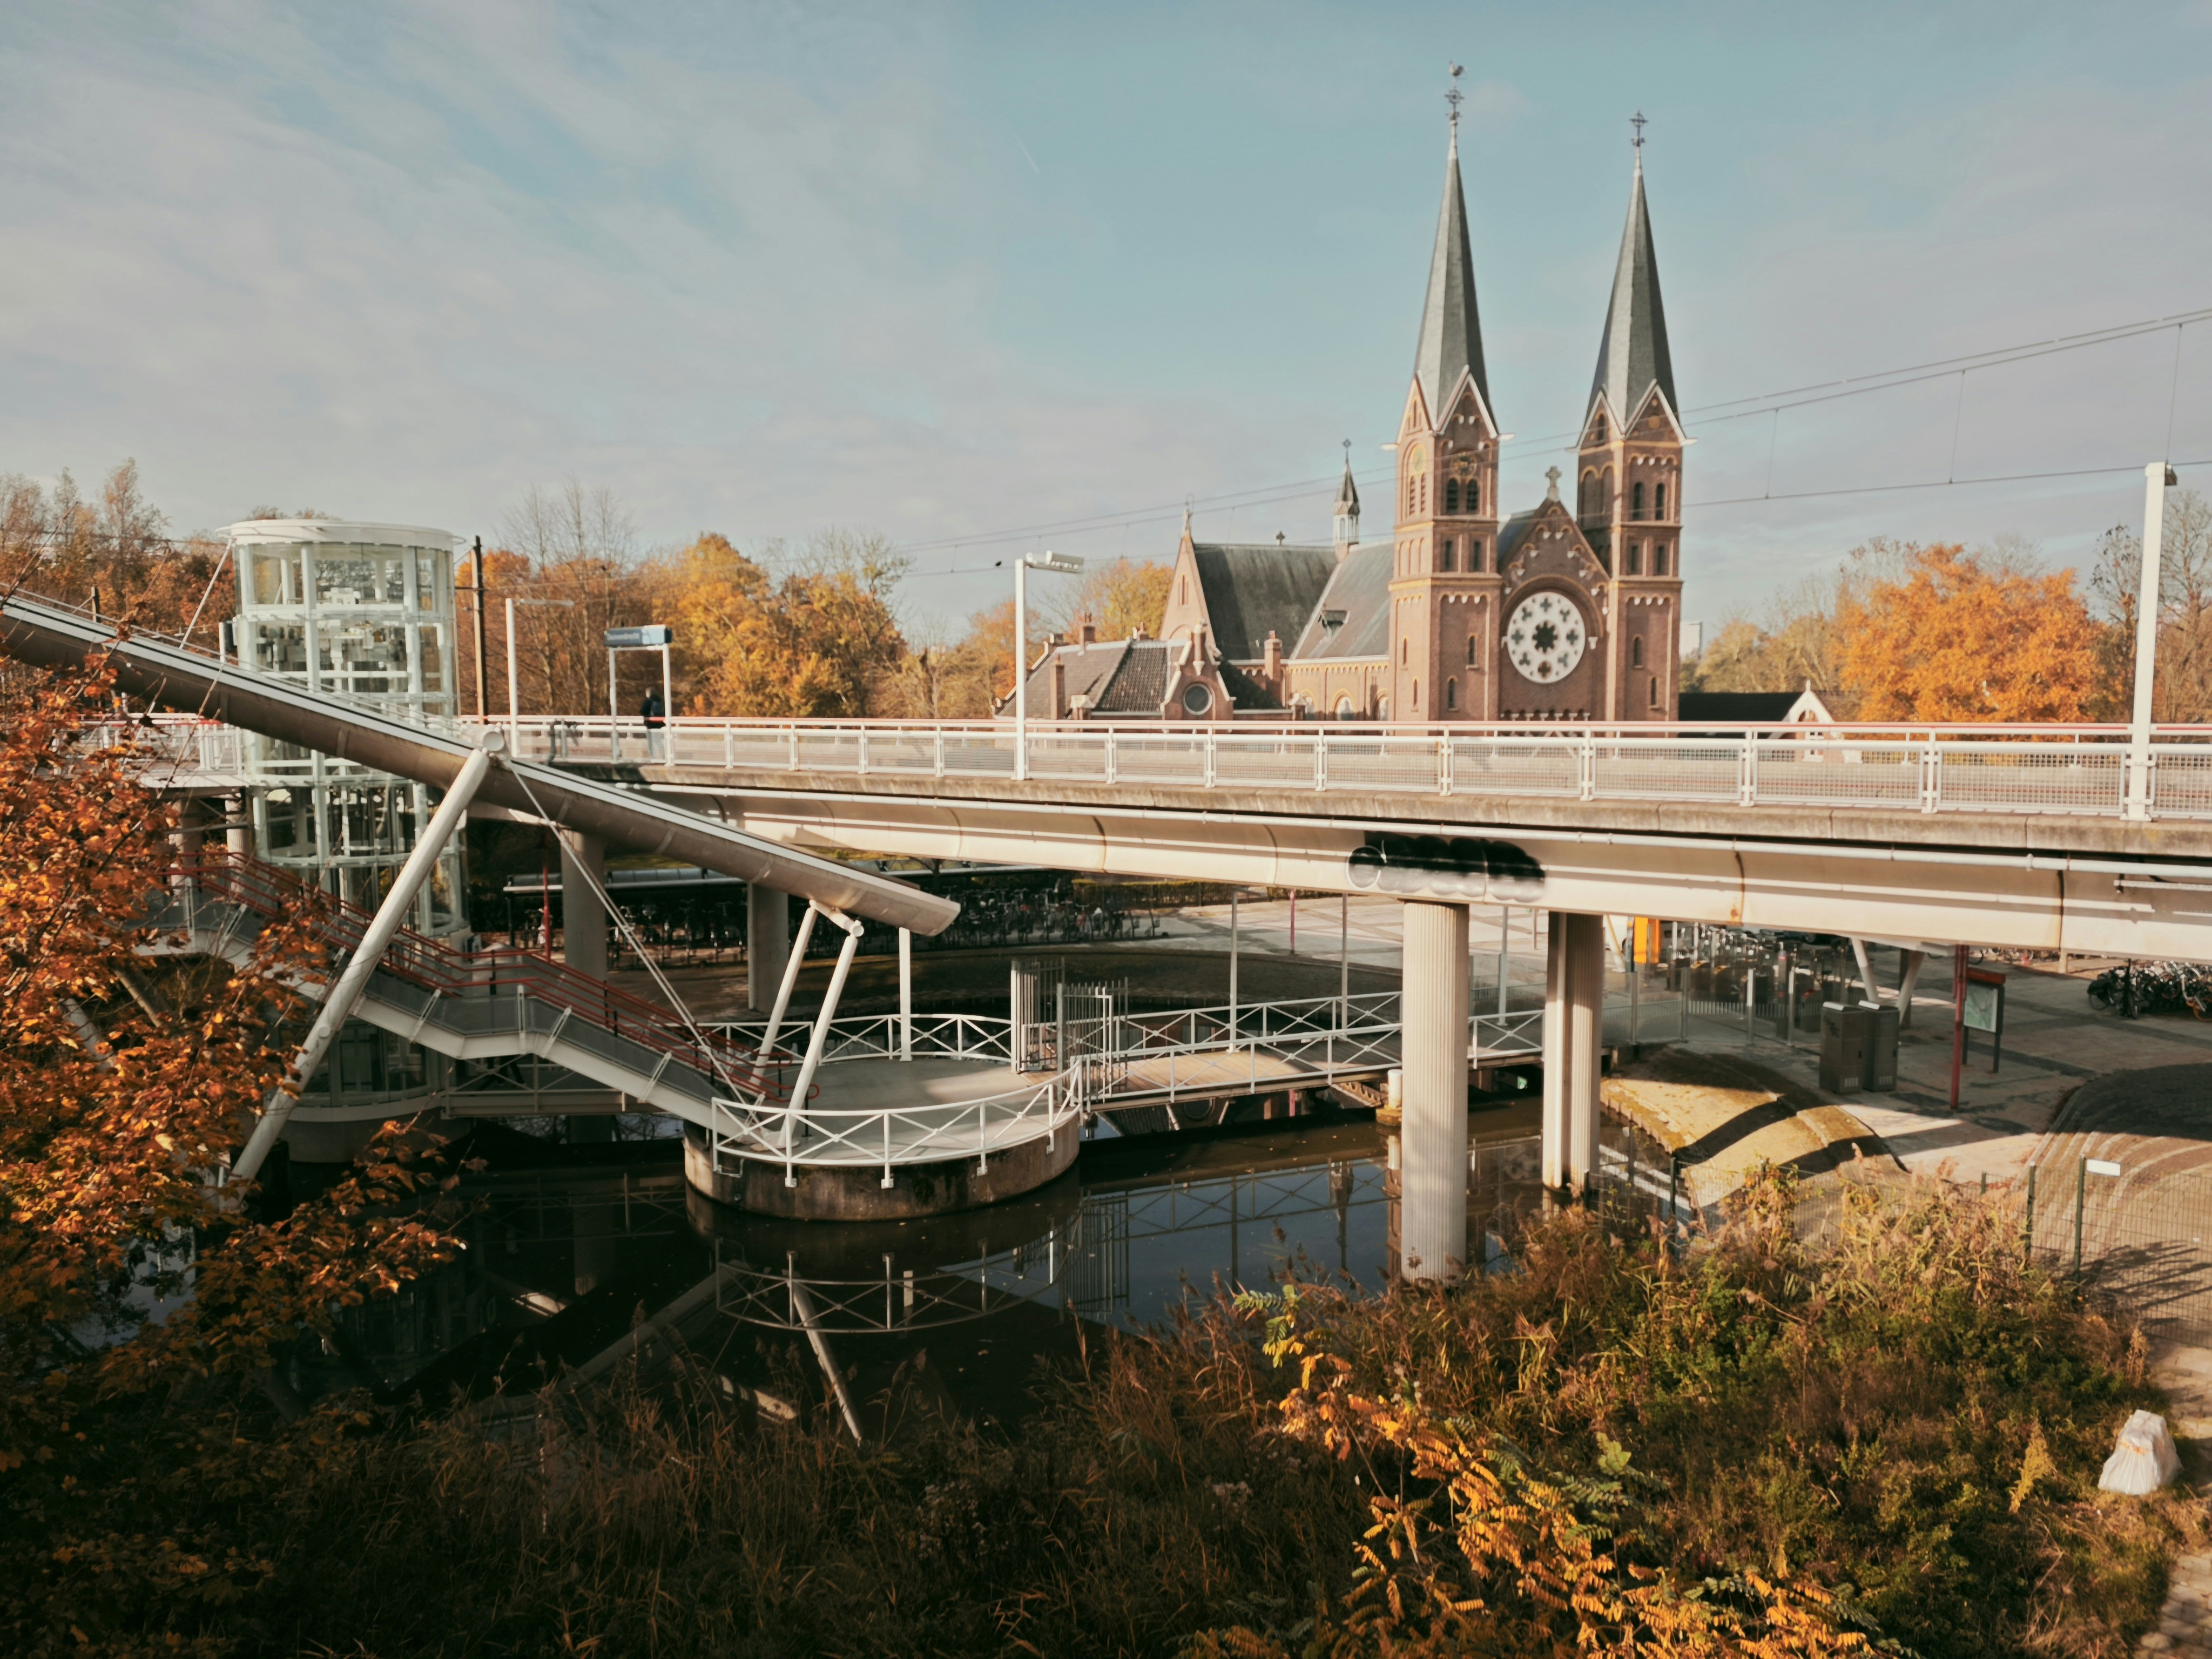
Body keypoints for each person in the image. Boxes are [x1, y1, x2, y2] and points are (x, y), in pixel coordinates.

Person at [640, 689, 665, 757]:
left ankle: (652, 757)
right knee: (658, 741)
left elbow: (642, 711)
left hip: (650, 725)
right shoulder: (660, 701)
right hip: (659, 724)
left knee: (650, 742)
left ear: (648, 694)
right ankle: (663, 756)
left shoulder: (648, 701)